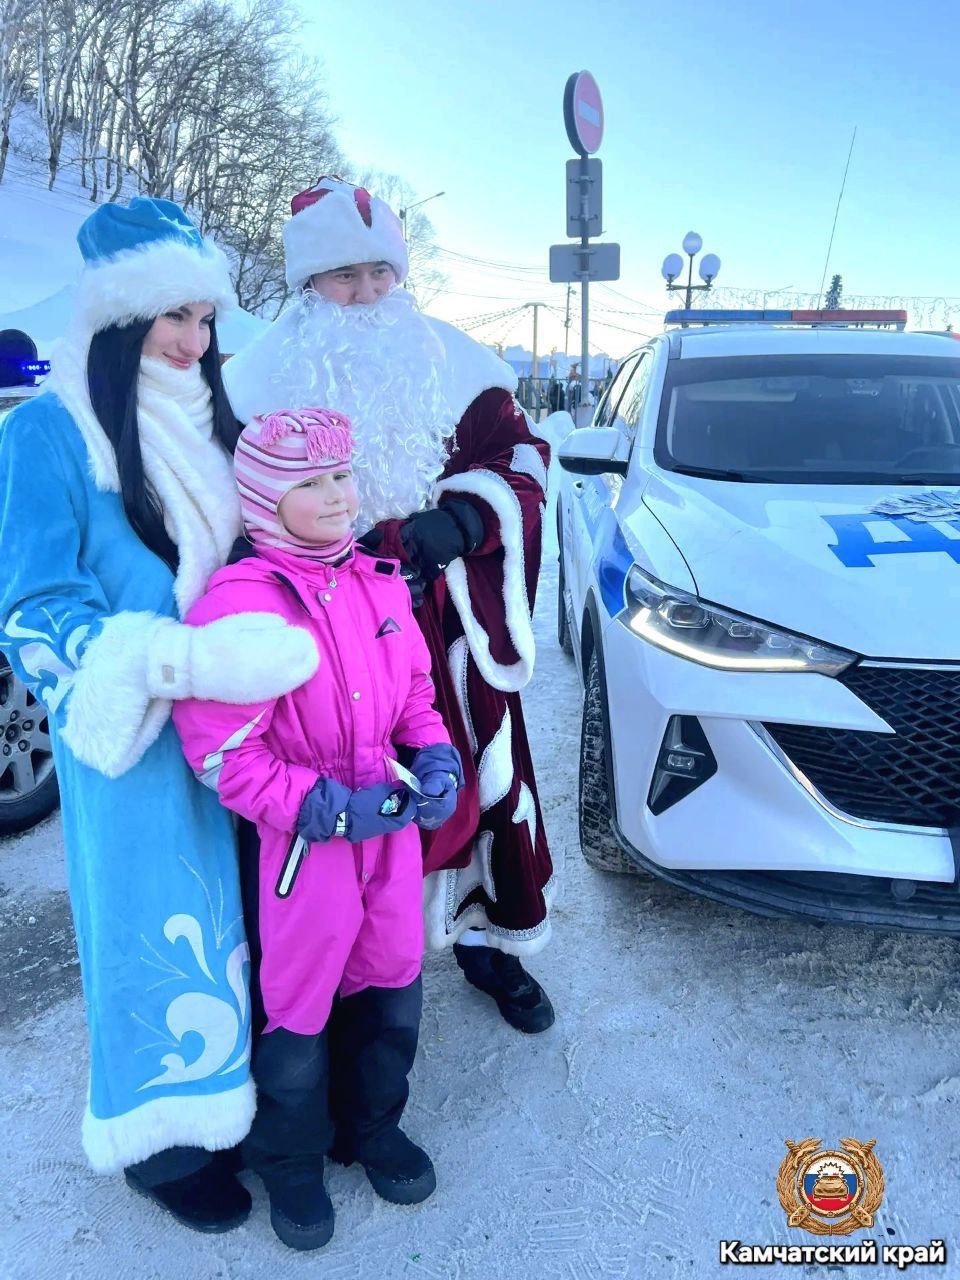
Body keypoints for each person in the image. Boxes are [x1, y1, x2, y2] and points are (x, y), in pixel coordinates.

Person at [0, 198, 319, 1231]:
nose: (194, 340)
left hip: (245, 731)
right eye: (172, 317)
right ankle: (165, 1142)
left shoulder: (220, 417)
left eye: (204, 316)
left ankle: (252, 1101)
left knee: (252, 915)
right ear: (118, 318)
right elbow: (33, 605)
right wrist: (170, 659)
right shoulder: (49, 430)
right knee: (153, 921)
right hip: (135, 738)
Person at [225, 176, 556, 1034]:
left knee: (479, 774)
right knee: (341, 784)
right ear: (307, 282)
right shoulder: (255, 379)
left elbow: (525, 461)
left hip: (445, 617)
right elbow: (231, 502)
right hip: (319, 626)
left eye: (381, 272)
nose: (367, 293)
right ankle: (344, 974)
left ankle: (491, 942)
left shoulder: (461, 364)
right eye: (345, 275)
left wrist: (464, 519)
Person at [172, 407, 462, 1251]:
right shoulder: (238, 605)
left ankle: (372, 1127)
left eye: (342, 475)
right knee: (298, 1005)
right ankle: (290, 1159)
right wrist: (323, 807)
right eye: (312, 482)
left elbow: (414, 694)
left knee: (393, 975)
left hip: (389, 832)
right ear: (266, 498)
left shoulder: (380, 582)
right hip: (304, 847)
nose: (338, 495)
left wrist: (435, 754)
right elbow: (222, 752)